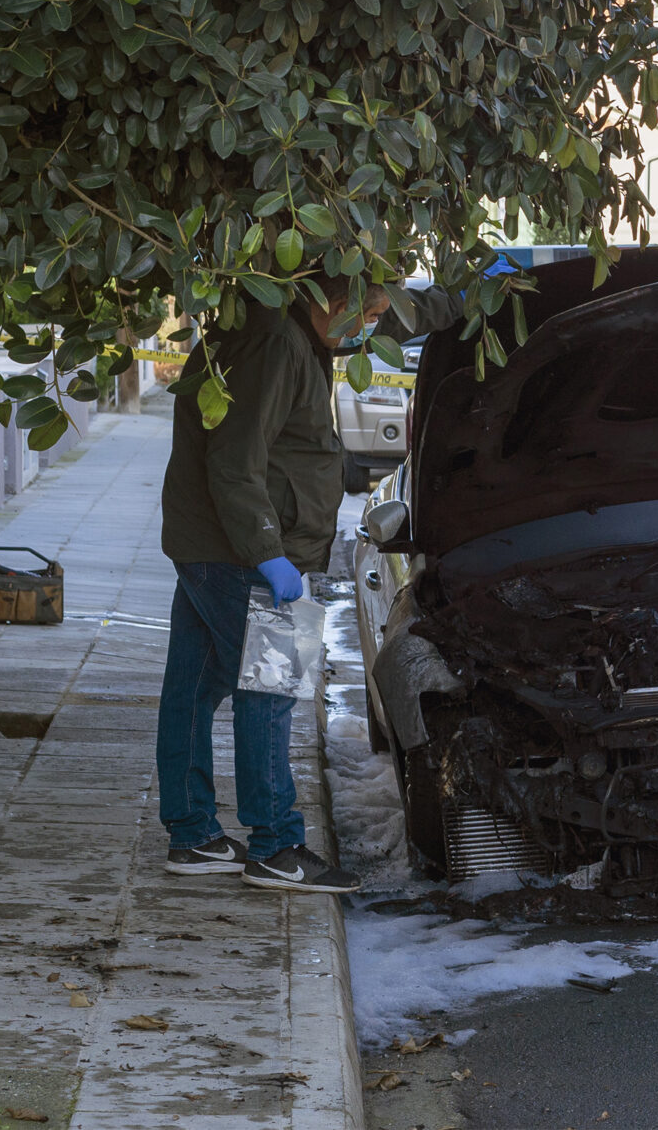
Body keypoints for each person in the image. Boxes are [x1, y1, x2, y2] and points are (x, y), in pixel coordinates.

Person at [157, 273, 461, 892]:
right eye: (366, 315)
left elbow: (395, 316)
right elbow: (235, 463)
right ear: (336, 301)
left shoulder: (294, 322)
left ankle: (191, 835)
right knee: (270, 692)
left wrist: (470, 299)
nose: (370, 330)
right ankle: (275, 843)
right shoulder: (273, 343)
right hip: (249, 554)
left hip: (214, 545)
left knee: (192, 689)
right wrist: (269, 556)